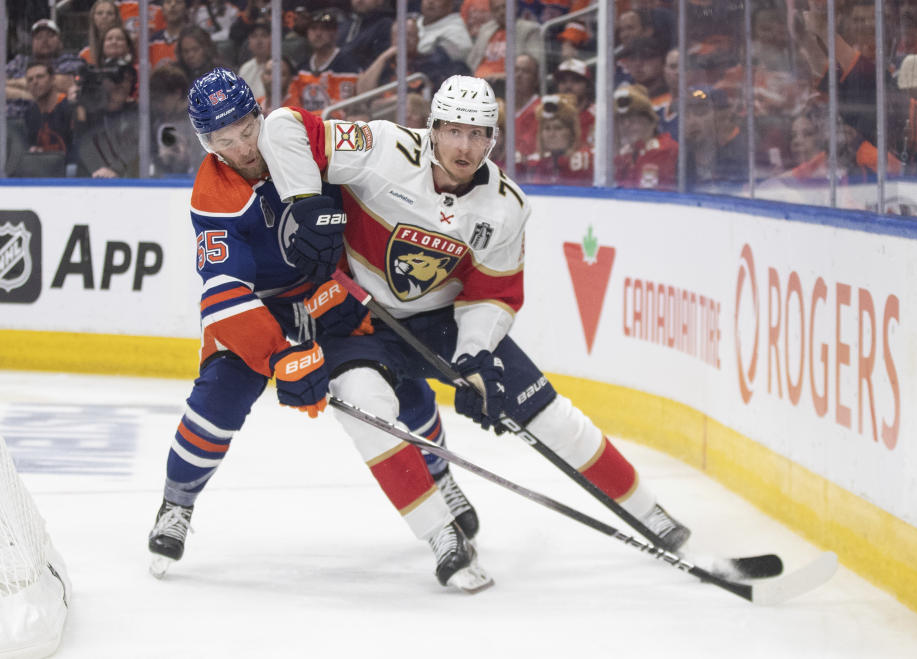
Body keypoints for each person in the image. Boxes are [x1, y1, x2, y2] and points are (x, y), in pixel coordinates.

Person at [256, 75, 691, 588]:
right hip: (361, 320)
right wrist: (305, 201)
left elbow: (492, 295)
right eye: (454, 131)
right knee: (368, 409)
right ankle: (442, 534)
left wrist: (474, 360)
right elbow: (282, 126)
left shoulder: (506, 206)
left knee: (550, 415)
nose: (464, 147)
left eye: (478, 134)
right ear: (433, 128)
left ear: (493, 140)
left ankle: (650, 513)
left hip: (441, 323)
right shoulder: (383, 149)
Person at [147, 68, 480, 590]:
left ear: (260, 116)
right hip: (261, 311)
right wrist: (279, 354)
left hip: (335, 295)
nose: (241, 148)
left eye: (245, 129)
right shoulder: (213, 195)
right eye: (222, 139)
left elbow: (373, 193)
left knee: (399, 383)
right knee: (216, 400)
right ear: (205, 142)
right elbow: (224, 294)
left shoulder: (303, 144)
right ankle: (176, 504)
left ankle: (441, 477)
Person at [516, 92, 593, 185]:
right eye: (547, 128)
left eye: (558, 128)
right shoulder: (538, 164)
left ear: (572, 133)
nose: (551, 134)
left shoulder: (585, 162)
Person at [79, 0, 122, 65]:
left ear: (116, 18)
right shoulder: (85, 53)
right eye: (99, 13)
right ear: (93, 18)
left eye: (110, 13)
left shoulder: (126, 47)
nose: (104, 17)